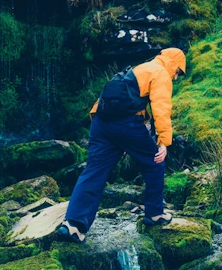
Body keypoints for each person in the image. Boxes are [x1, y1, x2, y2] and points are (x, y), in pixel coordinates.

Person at [57, 47, 186, 243]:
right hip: (125, 124)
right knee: (155, 161)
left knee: (93, 172)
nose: (176, 77)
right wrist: (163, 142)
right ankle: (154, 213)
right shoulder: (160, 73)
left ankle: (73, 225)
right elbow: (161, 108)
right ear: (173, 63)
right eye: (177, 72)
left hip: (101, 123)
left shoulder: (138, 69)